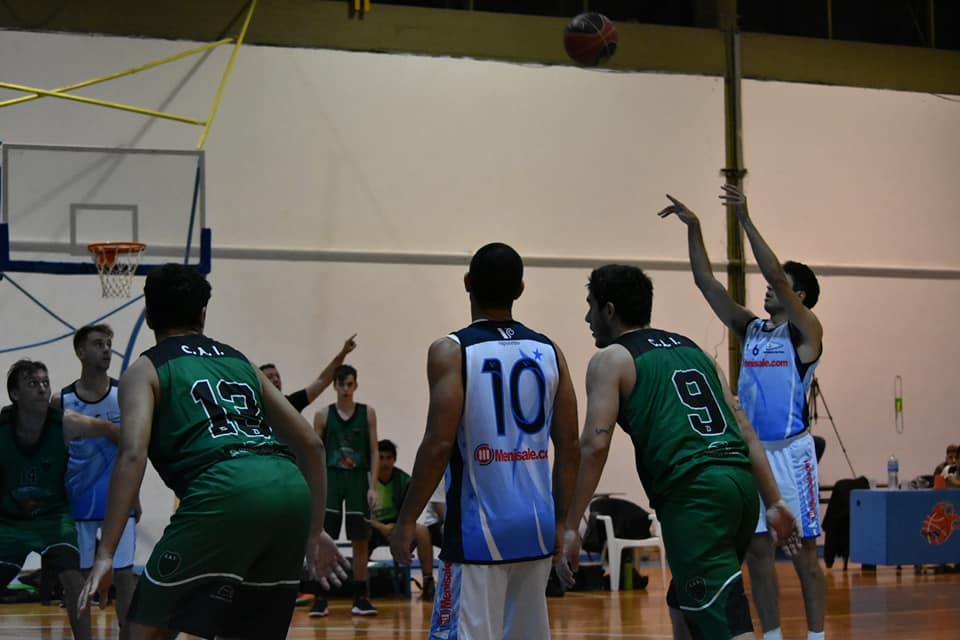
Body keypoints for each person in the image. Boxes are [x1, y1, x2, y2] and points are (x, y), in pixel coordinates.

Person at [78, 263, 347, 639]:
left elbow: (132, 455)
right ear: (203, 314)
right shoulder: (240, 362)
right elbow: (312, 445)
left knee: (143, 631)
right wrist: (314, 530)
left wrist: (106, 552)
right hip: (289, 492)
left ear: (149, 314)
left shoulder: (145, 370)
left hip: (222, 491)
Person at [562, 264, 801, 640]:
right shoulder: (695, 350)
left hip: (696, 496)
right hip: (739, 488)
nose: (587, 318)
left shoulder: (611, 359)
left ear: (609, 310)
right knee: (686, 605)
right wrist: (774, 501)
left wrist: (571, 525)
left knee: (724, 617)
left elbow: (595, 445)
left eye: (590, 306)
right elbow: (744, 428)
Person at [389, 242, 580, 639]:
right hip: (536, 527)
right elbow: (570, 447)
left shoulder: (452, 350)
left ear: (467, 282)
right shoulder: (550, 351)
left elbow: (438, 444)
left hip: (479, 532)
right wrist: (562, 521)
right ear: (520, 289)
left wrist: (407, 519)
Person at [661, 184, 826, 640]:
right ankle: (771, 635)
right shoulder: (751, 329)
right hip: (752, 455)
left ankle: (816, 636)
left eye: (782, 285)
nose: (770, 288)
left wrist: (745, 220)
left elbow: (774, 275)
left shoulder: (806, 334)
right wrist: (694, 228)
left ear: (800, 296)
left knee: (803, 554)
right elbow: (707, 284)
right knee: (757, 552)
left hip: (791, 454)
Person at [1, 359, 119, 640]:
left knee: (74, 581)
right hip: (10, 521)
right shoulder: (2, 428)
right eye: (33, 383)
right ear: (15, 394)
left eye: (45, 382)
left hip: (53, 518)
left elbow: (113, 431)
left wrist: (126, 473)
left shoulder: (67, 423)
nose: (43, 389)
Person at [50, 324, 137, 640]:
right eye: (98, 344)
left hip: (117, 499)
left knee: (124, 577)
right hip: (77, 501)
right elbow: (54, 456)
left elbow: (134, 450)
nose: (106, 350)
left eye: (109, 344)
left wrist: (136, 497)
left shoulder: (124, 394)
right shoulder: (61, 400)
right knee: (79, 581)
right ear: (80, 352)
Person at [311, 364, 379, 617]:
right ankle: (320, 597)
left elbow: (374, 450)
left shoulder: (367, 413)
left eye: (350, 384)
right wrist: (315, 485)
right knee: (323, 538)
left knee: (360, 540)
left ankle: (360, 598)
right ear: (334, 386)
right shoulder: (323, 415)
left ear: (356, 385)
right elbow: (314, 452)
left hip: (357, 478)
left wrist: (372, 487)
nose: (346, 389)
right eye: (341, 384)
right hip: (331, 478)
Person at [367, 439, 439, 600]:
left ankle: (428, 582)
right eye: (381, 457)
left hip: (397, 527)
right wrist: (381, 527)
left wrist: (395, 527)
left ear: (394, 459)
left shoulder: (404, 480)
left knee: (422, 531)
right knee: (360, 533)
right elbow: (360, 516)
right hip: (372, 528)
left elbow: (410, 513)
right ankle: (362, 587)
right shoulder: (366, 481)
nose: (385, 462)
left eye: (388, 458)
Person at [260, 334, 357, 412]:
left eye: (278, 376)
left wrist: (343, 353)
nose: (276, 379)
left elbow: (322, 381)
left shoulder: (290, 404)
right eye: (270, 377)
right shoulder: (254, 408)